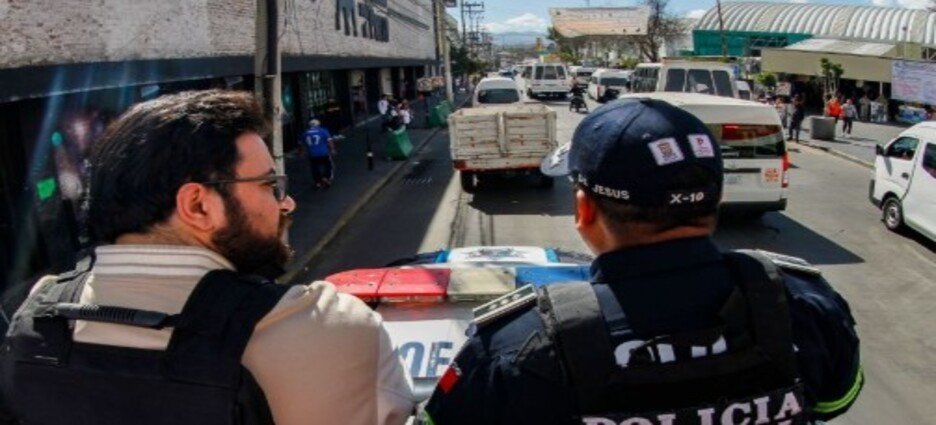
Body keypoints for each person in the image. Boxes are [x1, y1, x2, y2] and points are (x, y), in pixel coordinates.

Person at [424, 98, 862, 425]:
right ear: (718, 198)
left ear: (585, 210)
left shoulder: (517, 346)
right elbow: (835, 402)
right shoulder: (806, 304)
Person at [0, 90, 414, 425]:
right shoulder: (331, 328)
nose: (285, 204)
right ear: (198, 206)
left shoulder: (31, 317)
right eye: (270, 185)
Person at [302, 118, 337, 188]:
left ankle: (318, 182)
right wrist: (332, 149)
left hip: (312, 154)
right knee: (328, 166)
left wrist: (302, 152)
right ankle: (326, 178)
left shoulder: (305, 133)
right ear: (318, 124)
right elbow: (329, 141)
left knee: (315, 168)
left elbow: (302, 144)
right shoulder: (323, 131)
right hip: (323, 153)